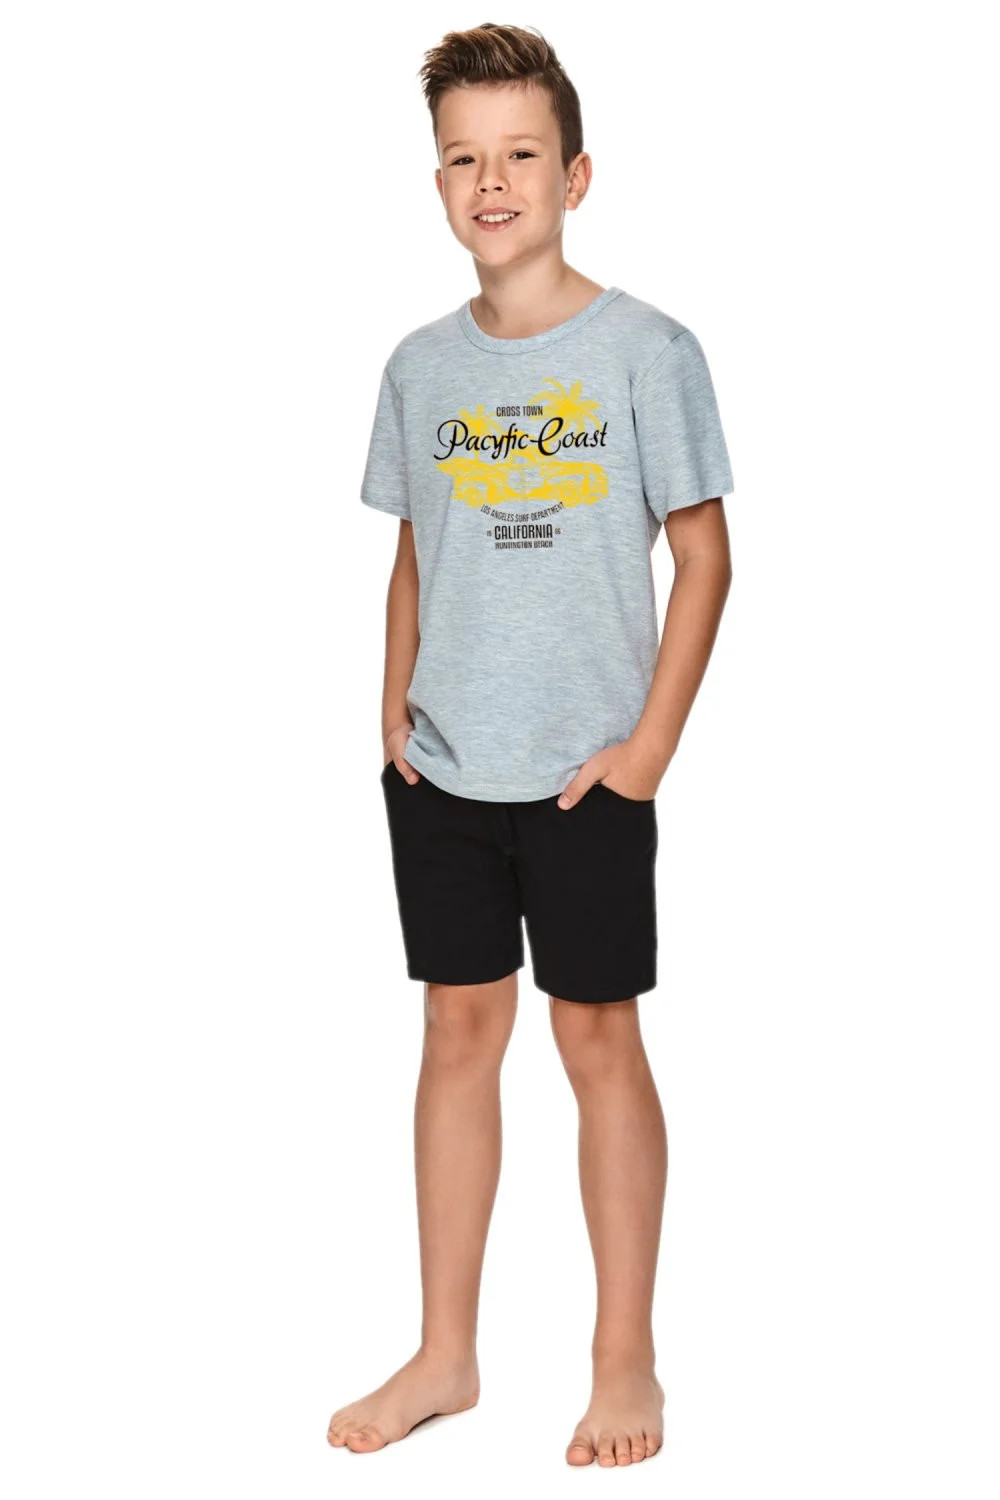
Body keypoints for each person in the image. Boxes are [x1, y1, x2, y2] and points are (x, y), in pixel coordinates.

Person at [328, 21, 735, 1468]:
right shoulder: (418, 368)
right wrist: (393, 711)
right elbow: (415, 553)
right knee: (455, 1032)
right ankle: (446, 1351)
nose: (491, 182)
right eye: (464, 159)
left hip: (585, 774)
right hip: (443, 769)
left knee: (597, 1039)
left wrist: (646, 752)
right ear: (438, 180)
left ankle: (625, 1356)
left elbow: (706, 557)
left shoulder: (648, 353)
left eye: (519, 155)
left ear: (575, 175)